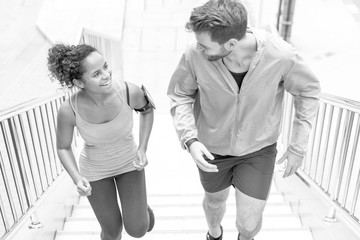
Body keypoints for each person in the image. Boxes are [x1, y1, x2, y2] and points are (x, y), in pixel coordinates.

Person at [167, 0, 320, 240]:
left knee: (248, 225)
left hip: (258, 150)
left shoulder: (280, 55)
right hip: (211, 149)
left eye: (205, 45)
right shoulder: (194, 53)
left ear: (230, 43)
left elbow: (308, 91)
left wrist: (298, 146)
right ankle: (214, 234)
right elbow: (180, 94)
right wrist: (190, 140)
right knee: (215, 203)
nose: (199, 49)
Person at [47, 43, 155, 240]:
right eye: (96, 74)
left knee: (138, 230)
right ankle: (134, 210)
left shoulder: (129, 92)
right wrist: (77, 178)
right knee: (112, 232)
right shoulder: (69, 109)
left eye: (105, 66)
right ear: (79, 83)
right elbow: (63, 147)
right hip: (95, 171)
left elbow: (147, 111)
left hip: (129, 164)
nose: (106, 75)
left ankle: (140, 210)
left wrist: (142, 148)